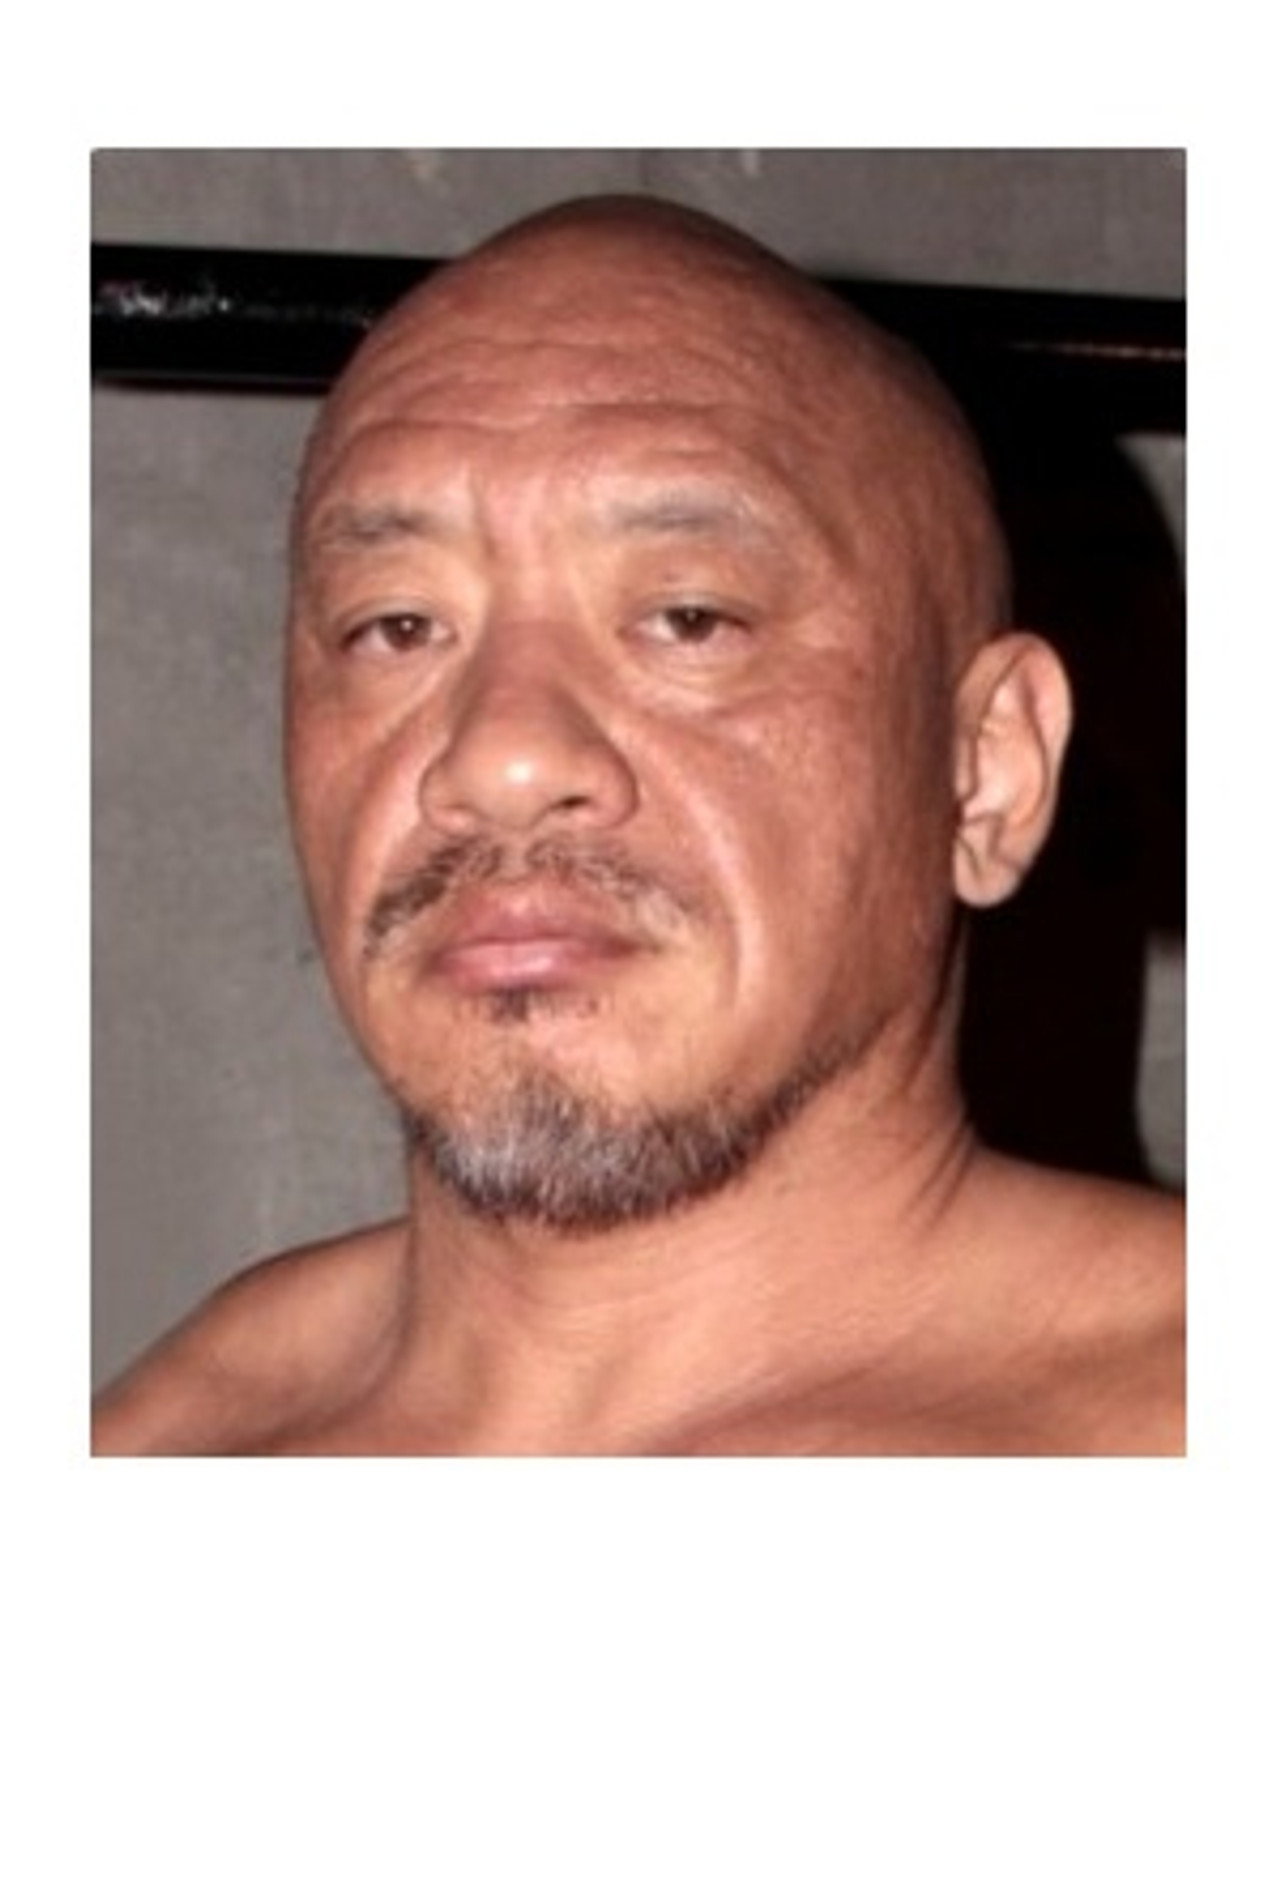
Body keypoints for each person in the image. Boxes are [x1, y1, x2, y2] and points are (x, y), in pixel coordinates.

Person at [93, 195, 1184, 1456]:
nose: (501, 759)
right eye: (397, 626)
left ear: (985, 771)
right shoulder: (172, 1436)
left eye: (687, 620)